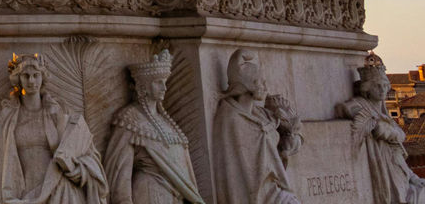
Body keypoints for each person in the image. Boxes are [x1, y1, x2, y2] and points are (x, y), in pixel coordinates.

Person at [0, 53, 107, 204]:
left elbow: (87, 153)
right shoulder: (0, 116)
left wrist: (76, 169)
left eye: (36, 75)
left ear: (43, 77)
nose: (31, 81)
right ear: (18, 79)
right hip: (16, 193)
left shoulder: (61, 113)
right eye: (26, 76)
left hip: (58, 191)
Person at [105, 52, 205, 204]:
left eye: (164, 82)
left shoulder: (166, 121)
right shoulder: (129, 118)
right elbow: (119, 171)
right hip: (149, 191)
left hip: (176, 196)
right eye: (158, 82)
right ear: (143, 86)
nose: (164, 87)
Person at [208, 50, 301, 204]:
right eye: (261, 82)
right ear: (248, 85)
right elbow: (240, 171)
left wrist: (284, 119)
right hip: (257, 194)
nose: (265, 87)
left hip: (273, 189)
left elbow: (289, 137)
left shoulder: (260, 114)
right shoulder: (231, 119)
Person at [338, 59, 425, 204]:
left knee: (415, 191)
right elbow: (346, 109)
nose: (382, 90)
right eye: (377, 86)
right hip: (382, 164)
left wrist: (412, 177)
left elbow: (399, 140)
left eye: (385, 86)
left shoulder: (383, 112)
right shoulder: (358, 106)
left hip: (393, 163)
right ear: (367, 88)